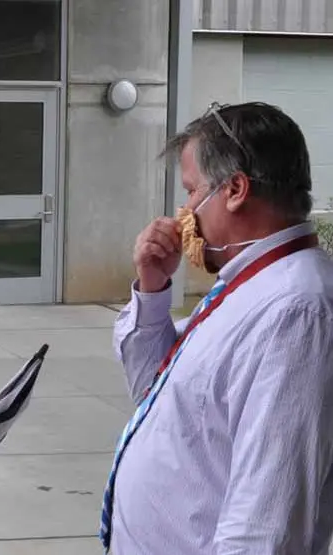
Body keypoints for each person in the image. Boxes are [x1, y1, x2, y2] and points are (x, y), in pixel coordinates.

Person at [99, 101, 333, 554]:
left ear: (235, 190)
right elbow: (151, 388)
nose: (184, 211)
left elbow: (265, 526)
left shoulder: (296, 311)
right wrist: (152, 290)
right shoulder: (251, 287)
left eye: (191, 191)